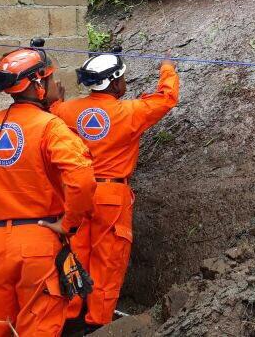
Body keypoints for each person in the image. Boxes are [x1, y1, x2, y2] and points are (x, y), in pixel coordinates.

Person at [0, 45, 96, 336]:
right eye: (51, 78)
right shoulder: (51, 128)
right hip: (41, 240)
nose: (56, 84)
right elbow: (82, 178)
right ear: (38, 85)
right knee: (39, 326)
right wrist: (69, 224)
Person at [51, 51, 179, 328]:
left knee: (74, 253)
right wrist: (167, 67)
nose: (125, 83)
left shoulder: (65, 111)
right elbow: (166, 98)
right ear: (115, 82)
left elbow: (51, 111)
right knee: (108, 259)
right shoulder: (130, 112)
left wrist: (56, 100)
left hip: (76, 192)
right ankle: (97, 323)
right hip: (111, 196)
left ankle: (68, 318)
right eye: (123, 78)